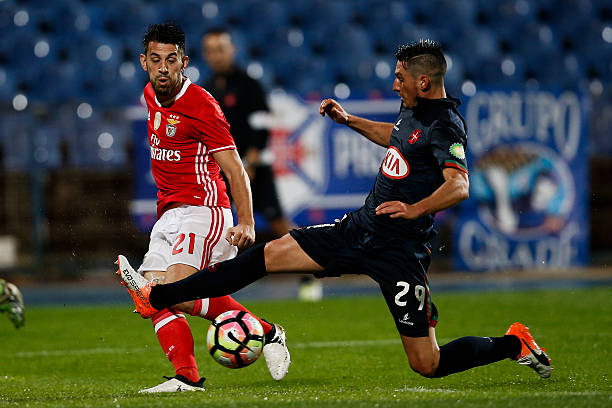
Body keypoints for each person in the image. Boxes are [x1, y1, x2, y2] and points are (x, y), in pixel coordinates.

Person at [118, 39, 551, 380]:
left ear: (424, 82)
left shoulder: (446, 124)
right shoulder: (412, 112)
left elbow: (459, 185)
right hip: (356, 230)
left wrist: (416, 208)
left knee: (427, 363)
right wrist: (350, 121)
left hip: (399, 252)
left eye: (400, 78)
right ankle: (159, 295)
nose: (395, 84)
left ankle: (514, 344)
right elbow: (397, 137)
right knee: (264, 257)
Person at [118, 22, 290, 393]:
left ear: (184, 62)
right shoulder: (150, 93)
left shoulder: (202, 105)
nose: (163, 67)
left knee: (171, 292)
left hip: (204, 208)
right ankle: (189, 378)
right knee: (154, 300)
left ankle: (265, 333)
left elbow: (234, 167)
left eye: (171, 59)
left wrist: (245, 221)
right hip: (169, 213)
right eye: (155, 59)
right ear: (143, 62)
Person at [201, 27, 322, 301]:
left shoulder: (248, 84)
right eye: (210, 50)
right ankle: (205, 282)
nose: (216, 55)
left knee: (277, 221)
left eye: (220, 48)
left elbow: (262, 127)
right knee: (211, 220)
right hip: (220, 169)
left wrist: (250, 163)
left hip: (252, 168)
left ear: (232, 50)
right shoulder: (206, 89)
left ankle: (311, 271)